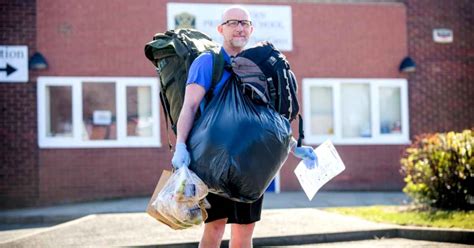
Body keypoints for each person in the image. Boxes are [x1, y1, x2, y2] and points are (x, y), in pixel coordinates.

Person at [170, 5, 317, 248]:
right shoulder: (208, 62)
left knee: (245, 232)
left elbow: (265, 122)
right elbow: (190, 106)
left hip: (251, 164)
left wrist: (294, 147)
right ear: (220, 29)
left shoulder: (257, 66)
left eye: (245, 23)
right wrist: (181, 147)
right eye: (233, 23)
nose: (240, 28)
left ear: (251, 29)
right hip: (214, 162)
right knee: (214, 229)